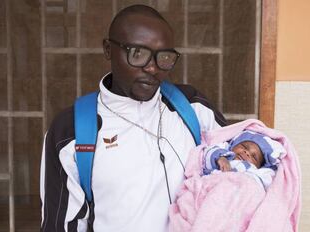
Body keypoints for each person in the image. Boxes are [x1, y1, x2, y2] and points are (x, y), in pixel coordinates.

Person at [40, 4, 226, 232]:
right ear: (108, 50)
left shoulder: (192, 106)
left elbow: (245, 166)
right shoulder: (71, 131)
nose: (152, 68)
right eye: (137, 53)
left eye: (164, 57)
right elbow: (61, 226)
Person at [202, 130, 286, 189]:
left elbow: (264, 181)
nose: (247, 153)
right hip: (211, 184)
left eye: (254, 157)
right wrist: (220, 158)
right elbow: (208, 151)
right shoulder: (224, 149)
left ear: (258, 166)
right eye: (244, 147)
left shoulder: (258, 172)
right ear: (234, 144)